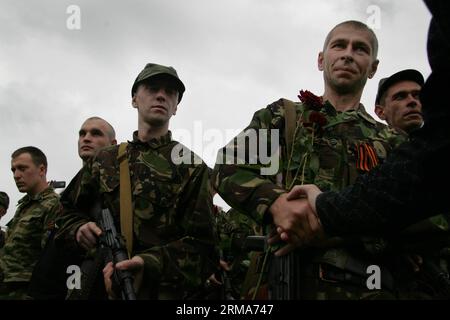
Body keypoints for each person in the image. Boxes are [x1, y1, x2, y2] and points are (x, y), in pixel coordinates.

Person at [214, 20, 405, 299]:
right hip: (284, 282)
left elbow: (426, 217)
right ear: (321, 59)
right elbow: (227, 166)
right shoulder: (283, 116)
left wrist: (336, 226)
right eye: (339, 45)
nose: (348, 54)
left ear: (373, 68)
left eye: (360, 49)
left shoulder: (392, 141)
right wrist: (277, 204)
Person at [56, 63, 218, 300]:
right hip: (97, 286)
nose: (161, 95)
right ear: (134, 99)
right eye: (152, 88)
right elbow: (64, 212)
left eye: (170, 92)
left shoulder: (192, 167)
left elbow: (205, 249)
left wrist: (148, 263)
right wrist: (78, 229)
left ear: (175, 108)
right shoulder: (104, 160)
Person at [28, 117, 117, 300]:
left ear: (113, 143)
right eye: (82, 133)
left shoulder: (116, 187)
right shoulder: (70, 191)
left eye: (96, 133)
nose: (86, 138)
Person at [0, 147, 61, 300]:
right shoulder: (24, 206)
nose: (16, 175)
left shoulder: (53, 205)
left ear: (41, 170)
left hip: (26, 291)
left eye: (22, 168)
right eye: (13, 170)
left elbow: (50, 260)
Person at [374, 69, 425, 134]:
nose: (412, 101)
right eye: (400, 97)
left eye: (417, 96)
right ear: (380, 112)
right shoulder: (365, 143)